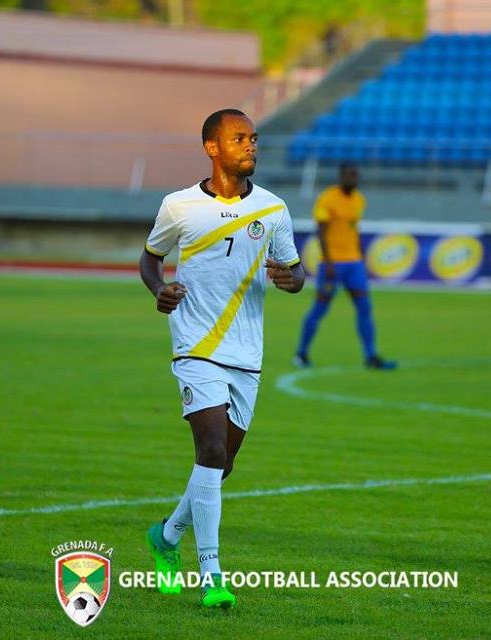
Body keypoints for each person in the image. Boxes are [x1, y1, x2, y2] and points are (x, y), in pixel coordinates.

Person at [139, 108, 305, 609]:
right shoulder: (179, 206)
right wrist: (159, 289)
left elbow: (297, 272)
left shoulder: (273, 208)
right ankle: (211, 576)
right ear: (212, 148)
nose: (250, 145)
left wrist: (290, 280)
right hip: (195, 345)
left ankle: (167, 535)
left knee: (222, 464)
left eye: (253, 138)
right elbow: (151, 258)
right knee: (210, 451)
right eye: (239, 138)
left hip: (246, 351)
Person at [293, 163, 396, 369]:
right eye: (350, 175)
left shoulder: (359, 199)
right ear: (341, 177)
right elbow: (321, 233)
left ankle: (371, 356)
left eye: (356, 176)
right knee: (320, 309)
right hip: (333, 265)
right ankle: (301, 353)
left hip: (354, 264)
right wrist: (329, 262)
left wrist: (361, 255)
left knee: (364, 307)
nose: (354, 179)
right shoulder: (327, 199)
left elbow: (353, 229)